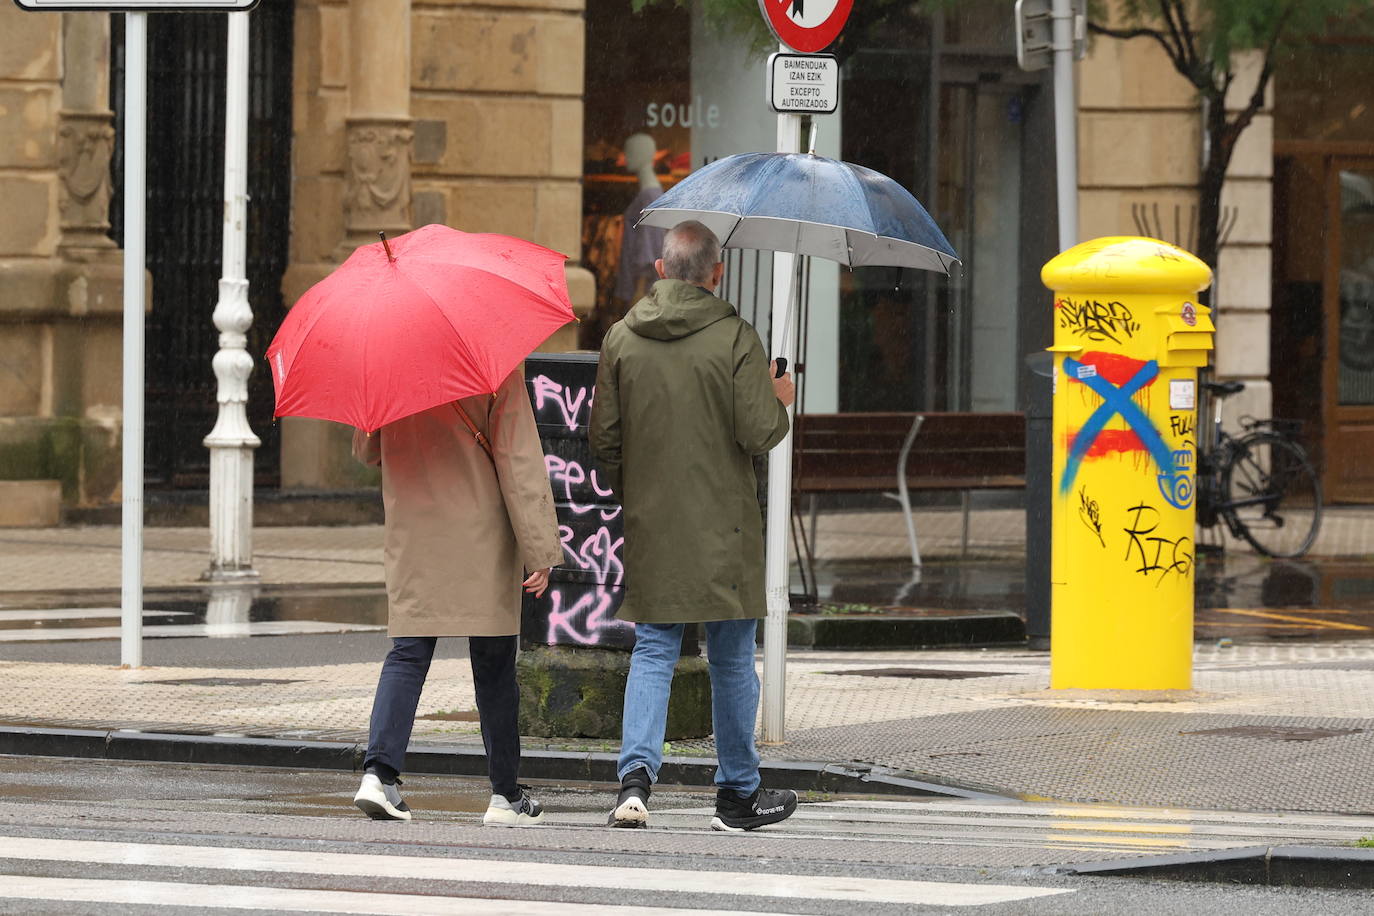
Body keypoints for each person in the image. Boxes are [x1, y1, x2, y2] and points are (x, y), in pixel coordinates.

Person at [589, 220, 799, 832]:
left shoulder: (621, 339)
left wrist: (638, 493)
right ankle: (736, 797)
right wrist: (778, 395)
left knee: (654, 649)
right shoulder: (736, 337)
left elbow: (603, 440)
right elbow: (758, 432)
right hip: (725, 528)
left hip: (654, 520)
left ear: (661, 270)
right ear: (717, 273)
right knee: (731, 660)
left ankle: (634, 783)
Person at [351, 368, 563, 826]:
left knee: (407, 653)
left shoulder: (392, 361)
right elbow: (516, 457)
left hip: (414, 529)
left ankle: (378, 775)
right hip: (480, 531)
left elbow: (367, 450)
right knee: (494, 664)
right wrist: (540, 548)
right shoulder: (494, 366)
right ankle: (505, 796)